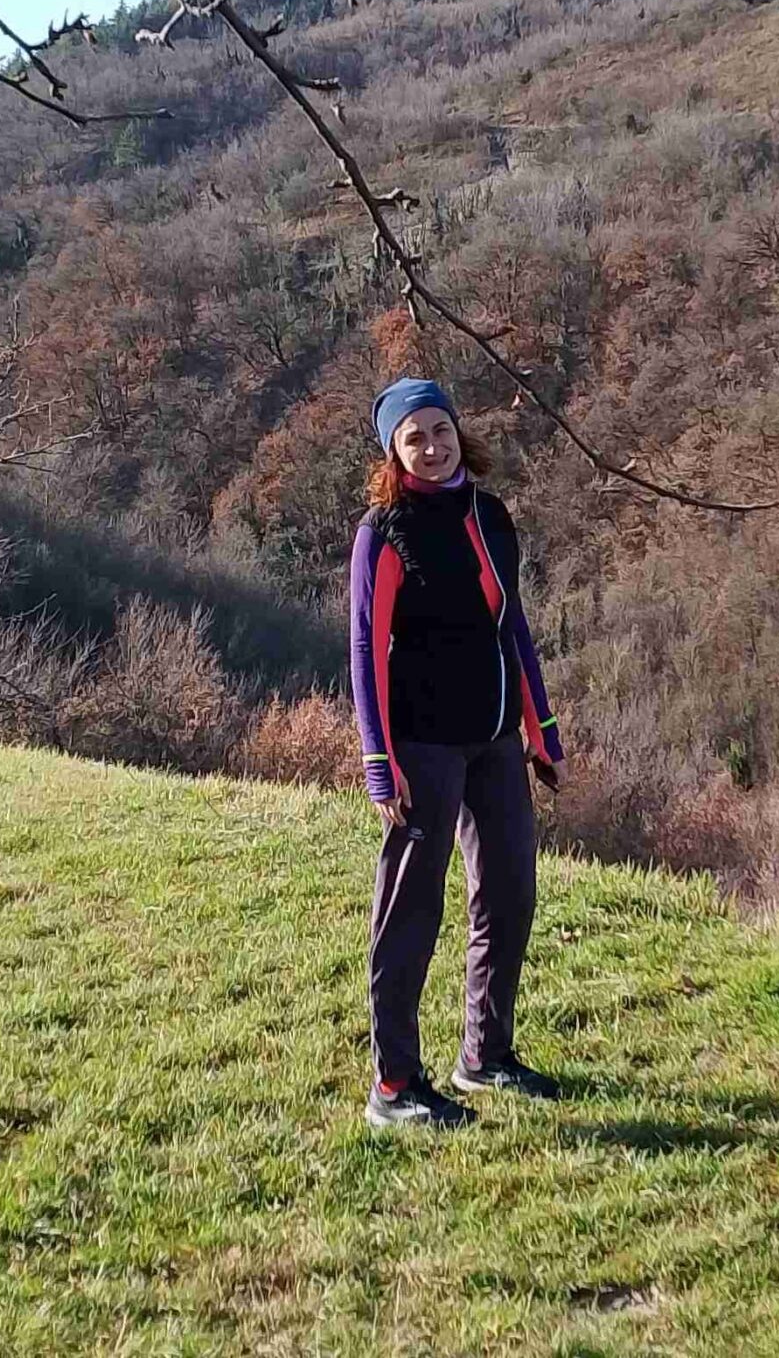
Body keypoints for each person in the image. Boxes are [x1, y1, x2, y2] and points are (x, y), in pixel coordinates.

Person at [350, 376, 566, 1129]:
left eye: (440, 430)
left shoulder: (491, 515)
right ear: (394, 451)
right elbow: (366, 648)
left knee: (509, 897)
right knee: (411, 911)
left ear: (458, 432)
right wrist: (380, 760)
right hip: (422, 745)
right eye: (415, 437)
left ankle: (485, 1055)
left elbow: (514, 627)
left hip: (496, 738)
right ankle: (395, 1085)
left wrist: (544, 730)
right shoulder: (384, 529)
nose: (432, 447)